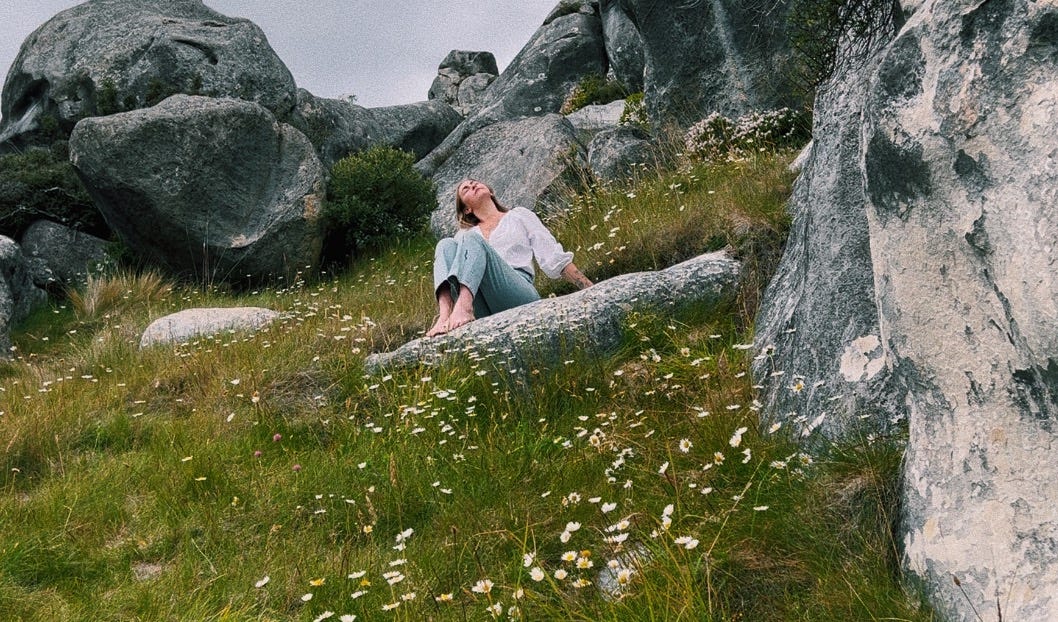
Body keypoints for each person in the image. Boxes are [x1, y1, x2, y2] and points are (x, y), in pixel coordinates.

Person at [426, 179, 593, 337]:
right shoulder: (464, 235)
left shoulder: (519, 216)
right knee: (445, 245)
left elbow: (553, 257)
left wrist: (589, 288)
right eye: (466, 189)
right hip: (481, 302)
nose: (473, 185)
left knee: (471, 239)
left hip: (517, 292)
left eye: (474, 182)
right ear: (466, 209)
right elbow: (452, 268)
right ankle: (445, 316)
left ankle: (464, 307)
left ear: (490, 192)